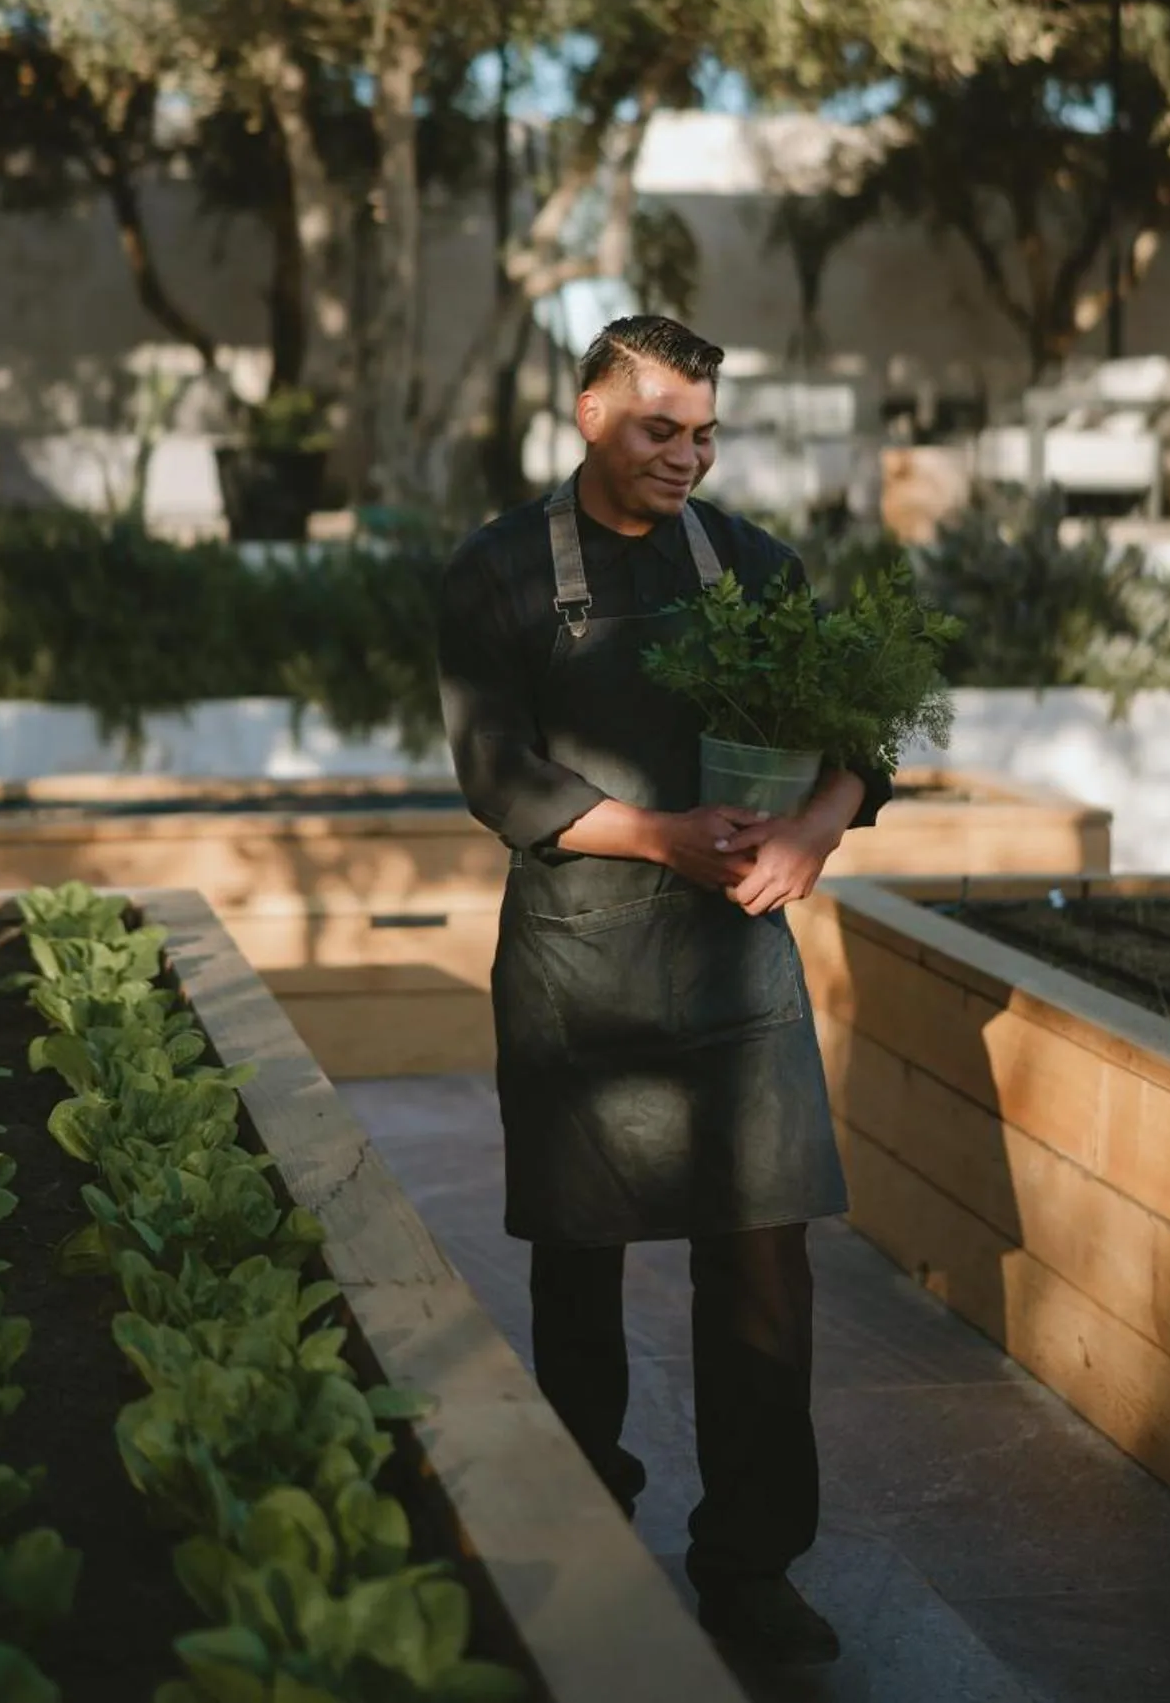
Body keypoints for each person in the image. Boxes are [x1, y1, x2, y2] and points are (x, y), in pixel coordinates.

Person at [436, 313, 889, 1669]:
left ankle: (751, 1566)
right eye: (660, 430)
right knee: (581, 1264)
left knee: (765, 1264)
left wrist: (815, 829)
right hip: (581, 958)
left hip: (737, 965)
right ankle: (584, 1523)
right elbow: (496, 774)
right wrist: (663, 835)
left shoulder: (753, 564)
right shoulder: (501, 570)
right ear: (588, 415)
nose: (690, 456)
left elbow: (854, 734)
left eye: (705, 432)